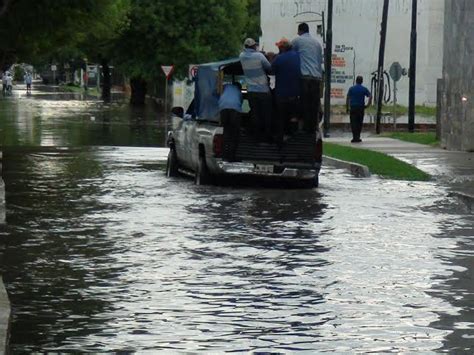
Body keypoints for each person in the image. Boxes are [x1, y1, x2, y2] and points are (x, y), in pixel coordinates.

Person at [291, 22, 323, 133]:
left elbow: (290, 54)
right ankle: (313, 128)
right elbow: (319, 62)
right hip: (316, 78)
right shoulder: (317, 44)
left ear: (300, 31)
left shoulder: (297, 41)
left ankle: (303, 128)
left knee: (303, 103)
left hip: (304, 77)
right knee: (313, 105)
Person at [239, 37, 273, 142]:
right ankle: (267, 137)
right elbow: (269, 68)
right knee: (266, 114)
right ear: (254, 46)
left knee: (255, 114)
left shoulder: (242, 56)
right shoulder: (259, 56)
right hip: (263, 90)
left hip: (251, 91)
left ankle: (256, 137)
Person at [271, 37, 301, 144]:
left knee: (280, 117)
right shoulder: (297, 56)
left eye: (279, 47)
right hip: (294, 94)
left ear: (282, 48)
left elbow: (271, 70)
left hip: (281, 95)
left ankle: (280, 138)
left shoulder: (279, 58)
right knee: (292, 116)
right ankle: (292, 136)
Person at [218, 83, 243, 162]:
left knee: (225, 132)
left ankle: (224, 155)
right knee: (234, 134)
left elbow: (218, 93)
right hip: (235, 110)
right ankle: (231, 156)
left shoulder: (226, 86)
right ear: (239, 87)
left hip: (223, 109)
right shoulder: (238, 91)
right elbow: (240, 102)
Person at [346, 76, 372, 143]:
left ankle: (354, 137)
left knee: (353, 122)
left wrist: (347, 107)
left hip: (353, 107)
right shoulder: (364, 89)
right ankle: (358, 137)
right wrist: (368, 105)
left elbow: (348, 98)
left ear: (356, 81)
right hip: (361, 108)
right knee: (359, 122)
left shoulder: (351, 89)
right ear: (362, 81)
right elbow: (370, 96)